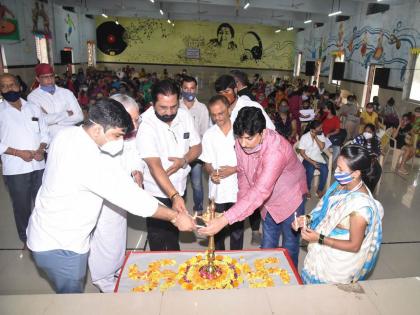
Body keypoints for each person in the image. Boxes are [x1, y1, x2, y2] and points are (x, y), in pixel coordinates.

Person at [27, 99, 196, 294]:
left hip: (45, 232)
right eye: (116, 135)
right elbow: (133, 198)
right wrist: (175, 216)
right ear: (97, 129)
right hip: (61, 247)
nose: (119, 142)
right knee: (70, 302)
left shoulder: (67, 134)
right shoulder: (89, 161)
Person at [199, 107, 307, 267]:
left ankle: (290, 286)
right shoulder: (241, 142)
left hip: (290, 198)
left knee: (289, 246)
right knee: (267, 245)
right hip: (267, 202)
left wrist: (224, 219)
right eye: (240, 138)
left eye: (248, 138)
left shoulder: (275, 151)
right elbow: (243, 174)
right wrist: (240, 207)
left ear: (262, 133)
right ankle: (267, 281)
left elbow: (260, 191)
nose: (243, 143)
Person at [293, 144, 383, 284]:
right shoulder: (340, 185)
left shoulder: (360, 208)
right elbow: (323, 210)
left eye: (341, 168)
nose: (336, 171)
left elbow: (354, 245)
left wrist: (319, 238)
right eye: (337, 166)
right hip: (320, 257)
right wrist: (307, 219)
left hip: (336, 267)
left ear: (356, 173)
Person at [136, 79, 201, 251]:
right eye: (163, 108)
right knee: (157, 238)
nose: (169, 112)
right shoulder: (146, 124)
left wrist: (185, 160)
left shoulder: (184, 115)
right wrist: (173, 196)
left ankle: (175, 264)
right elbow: (154, 166)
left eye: (173, 107)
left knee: (174, 235)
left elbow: (197, 146)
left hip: (179, 187)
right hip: (157, 192)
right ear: (152, 103)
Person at [88, 94, 144, 293]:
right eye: (132, 120)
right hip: (106, 194)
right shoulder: (100, 138)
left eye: (138, 119)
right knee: (105, 236)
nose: (135, 125)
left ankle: (117, 266)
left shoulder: (127, 132)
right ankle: (103, 278)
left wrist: (136, 170)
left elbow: (133, 154)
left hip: (122, 192)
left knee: (119, 233)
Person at [214, 75, 275, 245]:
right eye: (220, 93)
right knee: (230, 208)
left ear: (235, 89)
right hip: (228, 171)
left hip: (250, 166)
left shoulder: (250, 106)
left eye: (227, 91)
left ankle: (254, 231)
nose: (224, 95)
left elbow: (270, 132)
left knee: (251, 200)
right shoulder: (221, 110)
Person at [0, 74, 49, 245]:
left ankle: (44, 232)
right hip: (16, 169)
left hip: (39, 164)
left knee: (43, 202)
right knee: (21, 207)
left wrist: (42, 149)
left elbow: (44, 132)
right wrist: (18, 153)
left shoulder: (33, 108)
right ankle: (26, 237)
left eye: (12, 84)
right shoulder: (1, 112)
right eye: (4, 86)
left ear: (20, 86)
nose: (9, 89)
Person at [200, 95, 243, 250]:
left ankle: (235, 259)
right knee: (217, 230)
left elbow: (250, 162)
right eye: (214, 115)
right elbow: (207, 163)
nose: (218, 118)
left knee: (237, 230)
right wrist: (212, 173)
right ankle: (219, 260)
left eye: (221, 113)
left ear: (229, 110)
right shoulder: (209, 135)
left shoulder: (240, 131)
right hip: (217, 191)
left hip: (238, 188)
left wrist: (234, 169)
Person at [28, 64, 84, 139]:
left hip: (71, 137)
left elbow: (79, 117)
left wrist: (55, 121)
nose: (49, 79)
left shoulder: (66, 93)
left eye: (51, 76)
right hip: (51, 139)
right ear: (38, 79)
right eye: (45, 77)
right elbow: (40, 120)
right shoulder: (33, 97)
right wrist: (66, 113)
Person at [179, 76, 209, 215]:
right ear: (181, 89)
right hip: (179, 154)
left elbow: (204, 132)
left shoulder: (202, 108)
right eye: (186, 88)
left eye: (192, 88)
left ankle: (199, 210)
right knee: (180, 184)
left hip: (196, 154)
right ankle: (181, 210)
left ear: (196, 89)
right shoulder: (177, 107)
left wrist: (200, 153)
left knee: (197, 184)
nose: (189, 91)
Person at [299, 121, 328, 199]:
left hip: (317, 157)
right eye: (319, 128)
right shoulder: (304, 137)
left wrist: (315, 137)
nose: (321, 129)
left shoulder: (320, 135)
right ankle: (307, 190)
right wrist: (312, 162)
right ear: (312, 129)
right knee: (310, 170)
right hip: (307, 158)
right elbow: (302, 153)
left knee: (325, 170)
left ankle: (319, 190)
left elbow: (322, 147)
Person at [352, 124, 382, 191]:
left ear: (373, 133)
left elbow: (379, 151)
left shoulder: (377, 140)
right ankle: (366, 190)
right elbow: (352, 148)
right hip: (360, 159)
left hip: (372, 160)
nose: (367, 133)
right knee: (364, 171)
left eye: (369, 132)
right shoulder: (359, 138)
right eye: (365, 131)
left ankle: (371, 190)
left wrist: (374, 156)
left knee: (378, 170)